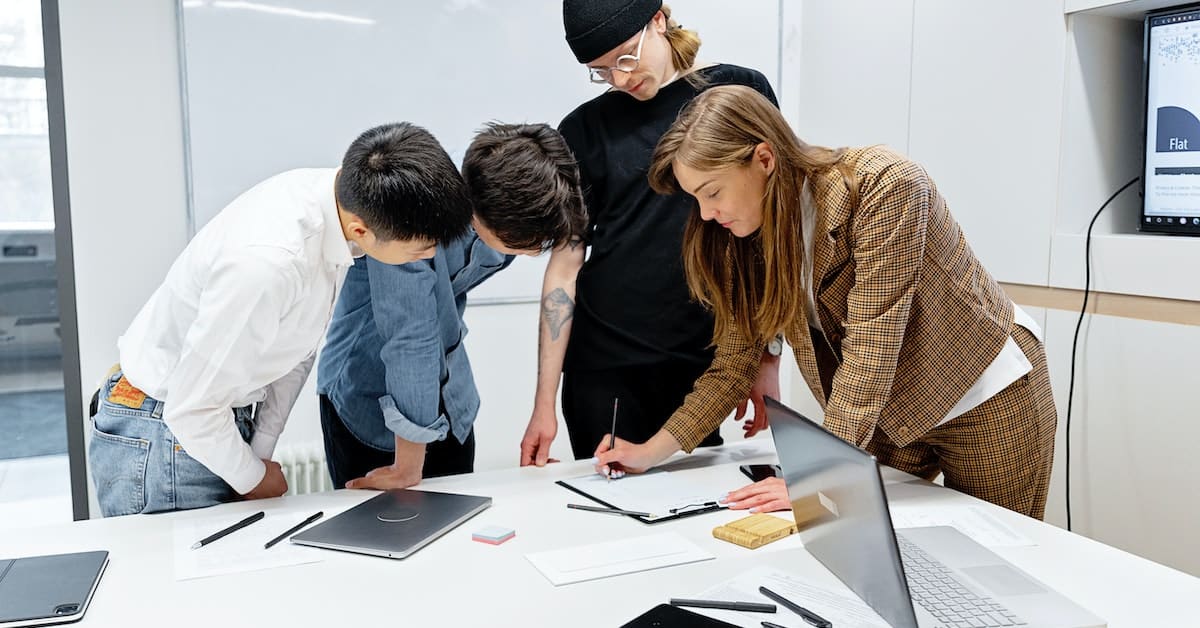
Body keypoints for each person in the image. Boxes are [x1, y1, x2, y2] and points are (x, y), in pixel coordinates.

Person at [597, 85, 1057, 520]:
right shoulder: (743, 234)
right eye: (696, 198)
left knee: (998, 560)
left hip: (984, 396)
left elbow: (870, 349)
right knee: (871, 550)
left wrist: (817, 479)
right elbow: (734, 365)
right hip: (887, 419)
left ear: (764, 157)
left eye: (713, 192)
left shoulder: (883, 186)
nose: (706, 214)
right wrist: (649, 451)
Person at [88, 122, 472, 516]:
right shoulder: (268, 262)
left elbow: (296, 347)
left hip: (210, 421)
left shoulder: (337, 210)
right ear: (363, 229)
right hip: (167, 432)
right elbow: (191, 409)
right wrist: (254, 477)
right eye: (420, 249)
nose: (428, 259)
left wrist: (261, 449)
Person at [519, 0, 781, 467]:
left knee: (698, 515)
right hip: (607, 368)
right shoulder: (584, 129)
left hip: (707, 362)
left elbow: (767, 235)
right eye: (600, 70)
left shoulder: (737, 91)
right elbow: (564, 267)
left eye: (624, 57)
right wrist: (543, 403)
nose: (620, 78)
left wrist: (766, 358)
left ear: (659, 19)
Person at [317, 123, 586, 490]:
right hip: (367, 396)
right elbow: (411, 340)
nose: (534, 252)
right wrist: (407, 468)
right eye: (530, 244)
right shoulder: (408, 213)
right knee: (386, 537)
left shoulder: (504, 188)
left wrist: (544, 408)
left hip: (450, 399)